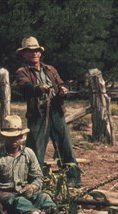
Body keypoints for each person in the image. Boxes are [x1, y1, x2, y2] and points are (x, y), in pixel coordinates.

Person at [14, 36, 81, 187]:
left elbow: (60, 83)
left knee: (65, 147)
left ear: (40, 52)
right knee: (36, 151)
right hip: (38, 115)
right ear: (24, 54)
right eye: (30, 51)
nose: (34, 54)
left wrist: (63, 90)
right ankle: (36, 182)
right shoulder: (22, 72)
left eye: (36, 50)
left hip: (56, 112)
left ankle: (73, 180)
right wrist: (38, 88)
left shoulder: (50, 69)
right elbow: (25, 87)